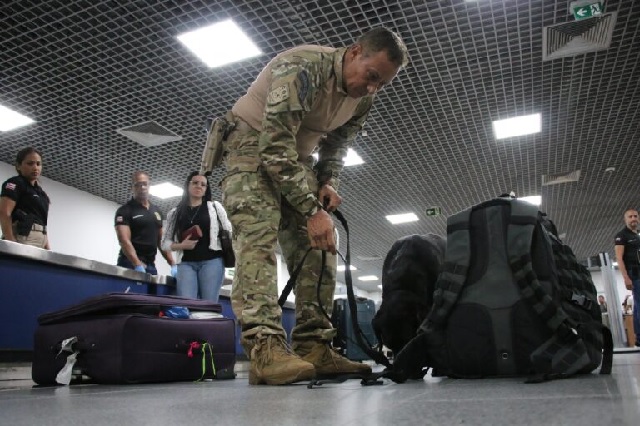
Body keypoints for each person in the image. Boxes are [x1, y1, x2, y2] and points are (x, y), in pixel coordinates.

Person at [221, 27, 409, 385]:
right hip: (250, 148)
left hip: (295, 159)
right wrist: (311, 211)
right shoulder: (303, 67)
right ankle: (264, 347)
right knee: (258, 239)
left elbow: (337, 145)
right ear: (355, 52)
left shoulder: (363, 97)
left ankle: (314, 347)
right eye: (371, 77)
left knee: (322, 245)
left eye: (381, 84)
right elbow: (273, 147)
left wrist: (327, 183)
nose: (372, 89)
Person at [161, 172, 232, 302]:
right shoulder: (175, 213)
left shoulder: (215, 207)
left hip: (212, 262)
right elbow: (164, 243)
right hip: (186, 263)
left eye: (203, 184)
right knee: (186, 304)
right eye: (195, 183)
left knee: (209, 304)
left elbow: (229, 231)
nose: (199, 186)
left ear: (206, 190)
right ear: (188, 186)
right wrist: (181, 246)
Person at [114, 171, 175, 275]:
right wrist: (137, 264)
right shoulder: (125, 211)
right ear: (132, 188)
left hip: (150, 265)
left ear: (149, 185)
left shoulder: (156, 211)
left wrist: (173, 264)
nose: (142, 187)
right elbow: (124, 241)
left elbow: (161, 241)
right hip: (130, 263)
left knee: (149, 292)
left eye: (144, 184)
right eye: (138, 184)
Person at [0, 147, 51, 249]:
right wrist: (11, 243)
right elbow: (4, 212)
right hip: (23, 236)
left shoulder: (41, 193)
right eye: (30, 163)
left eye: (38, 164)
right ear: (18, 166)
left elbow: (42, 221)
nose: (35, 167)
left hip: (41, 238)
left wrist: (48, 249)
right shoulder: (15, 183)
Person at [614, 209, 640, 347]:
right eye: (630, 217)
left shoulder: (637, 236)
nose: (633, 218)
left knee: (637, 306)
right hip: (633, 274)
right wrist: (626, 278)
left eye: (635, 216)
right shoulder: (622, 235)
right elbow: (619, 258)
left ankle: (639, 339)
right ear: (625, 220)